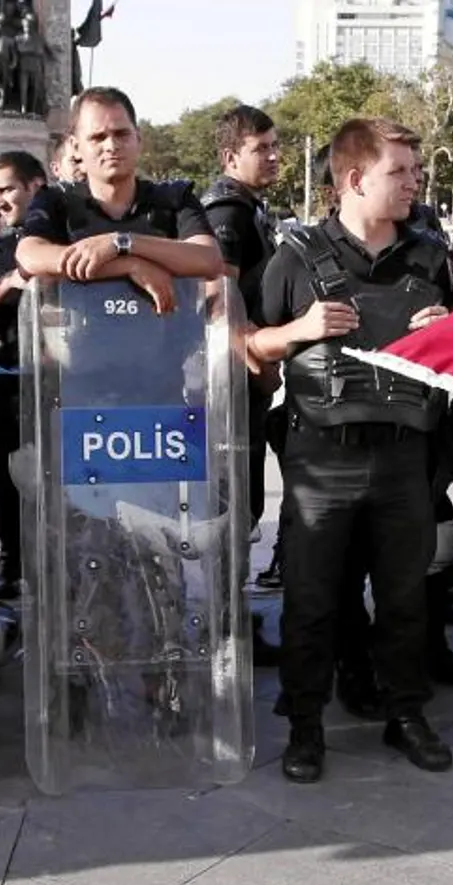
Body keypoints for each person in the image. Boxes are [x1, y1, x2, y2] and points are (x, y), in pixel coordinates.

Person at [249, 118, 453, 783]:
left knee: (404, 597)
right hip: (322, 459)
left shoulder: (430, 258)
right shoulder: (295, 258)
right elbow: (248, 347)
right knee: (311, 600)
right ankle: (306, 726)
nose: (413, 183)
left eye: (414, 171)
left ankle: (406, 713)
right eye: (400, 172)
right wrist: (297, 331)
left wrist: (449, 332)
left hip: (403, 455)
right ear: (353, 178)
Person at [200, 103, 286, 668]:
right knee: (235, 505)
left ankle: (231, 613)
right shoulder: (229, 212)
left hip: (245, 377)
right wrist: (257, 355)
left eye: (276, 146)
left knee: (243, 504)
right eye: (264, 148)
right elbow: (222, 298)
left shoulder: (247, 206)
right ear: (233, 156)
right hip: (233, 379)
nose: (275, 156)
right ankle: (225, 626)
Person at [15, 87, 221, 295]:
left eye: (121, 134)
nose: (111, 146)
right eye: (98, 137)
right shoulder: (56, 200)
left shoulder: (174, 198)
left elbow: (208, 260)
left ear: (138, 140)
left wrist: (122, 242)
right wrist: (129, 266)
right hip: (84, 327)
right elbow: (30, 256)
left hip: (164, 325)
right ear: (75, 147)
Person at [0, 150, 49, 601]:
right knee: (9, 481)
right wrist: (6, 285)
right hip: (8, 380)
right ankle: (12, 561)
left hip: (66, 383)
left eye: (7, 189)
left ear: (36, 186)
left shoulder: (70, 238)